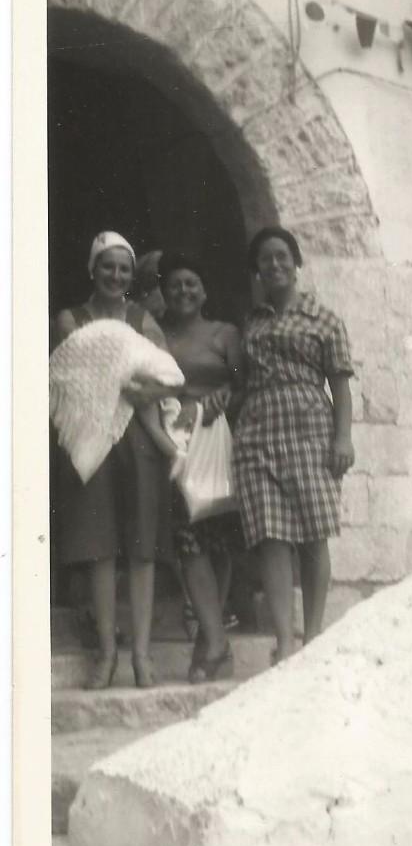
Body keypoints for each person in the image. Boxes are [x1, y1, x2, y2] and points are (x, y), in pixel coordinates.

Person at [52, 231, 176, 689]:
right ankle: (106, 654)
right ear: (93, 269)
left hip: (138, 436)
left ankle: (141, 655)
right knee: (99, 544)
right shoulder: (71, 318)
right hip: (92, 437)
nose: (116, 275)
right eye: (108, 266)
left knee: (142, 544)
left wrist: (140, 390)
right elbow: (72, 373)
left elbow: (166, 376)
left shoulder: (143, 318)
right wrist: (123, 382)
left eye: (124, 269)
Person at [232, 226, 355, 662]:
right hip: (257, 431)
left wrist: (343, 437)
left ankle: (314, 634)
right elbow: (241, 381)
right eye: (265, 259)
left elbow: (340, 385)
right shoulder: (252, 322)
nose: (275, 265)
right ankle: (285, 640)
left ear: (297, 263)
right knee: (271, 535)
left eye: (282, 256)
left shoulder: (324, 319)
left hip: (309, 429)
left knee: (314, 532)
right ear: (257, 270)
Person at [158, 251, 243, 682]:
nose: (183, 291)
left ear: (205, 292)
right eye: (175, 285)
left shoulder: (225, 333)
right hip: (177, 444)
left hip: (219, 442)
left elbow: (245, 383)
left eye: (191, 283)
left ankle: (211, 645)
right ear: (164, 293)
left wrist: (225, 397)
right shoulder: (157, 335)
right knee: (189, 542)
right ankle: (215, 640)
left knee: (219, 540)